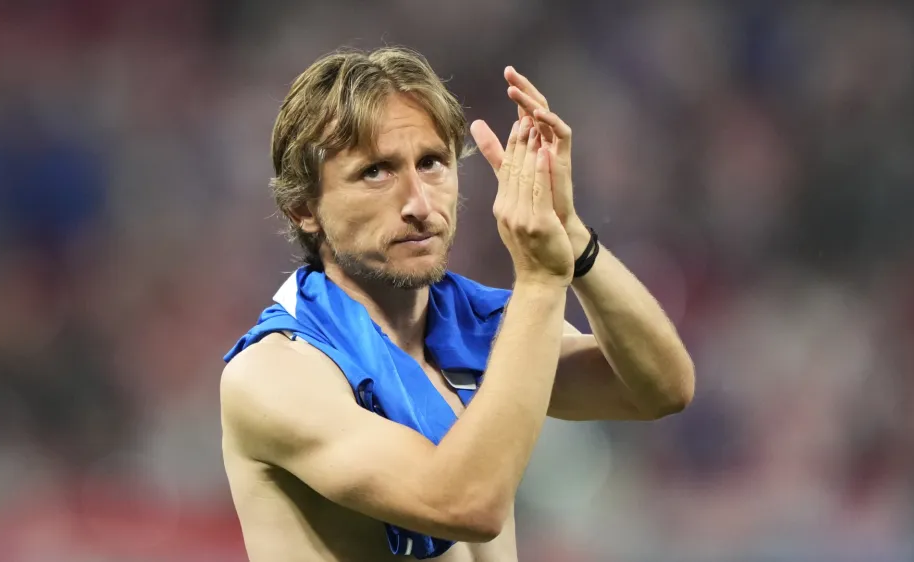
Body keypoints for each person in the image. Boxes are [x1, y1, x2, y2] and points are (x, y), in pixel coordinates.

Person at [219, 46, 694, 562]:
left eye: (432, 163)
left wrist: (573, 239)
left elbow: (659, 390)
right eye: (376, 171)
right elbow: (467, 504)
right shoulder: (277, 373)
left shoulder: (476, 329)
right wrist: (538, 280)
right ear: (303, 208)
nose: (419, 204)